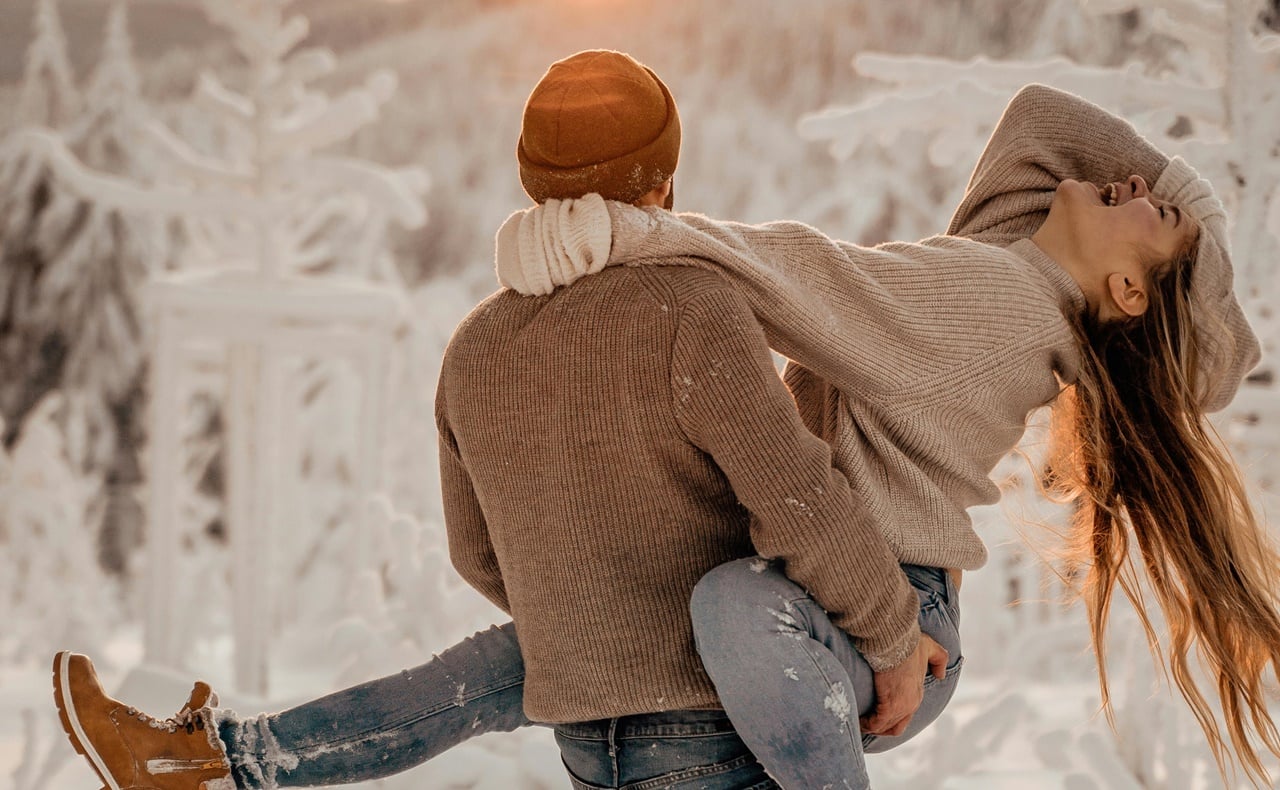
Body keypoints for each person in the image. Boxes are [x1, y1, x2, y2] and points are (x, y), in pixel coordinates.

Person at [51, 50, 957, 790]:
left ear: (533, 180)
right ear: (662, 181)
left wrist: (595, 628)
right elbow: (799, 499)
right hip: (720, 735)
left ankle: (211, 759)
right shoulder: (693, 307)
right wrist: (889, 634)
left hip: (588, 749)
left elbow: (477, 555)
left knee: (481, 669)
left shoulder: (477, 345)